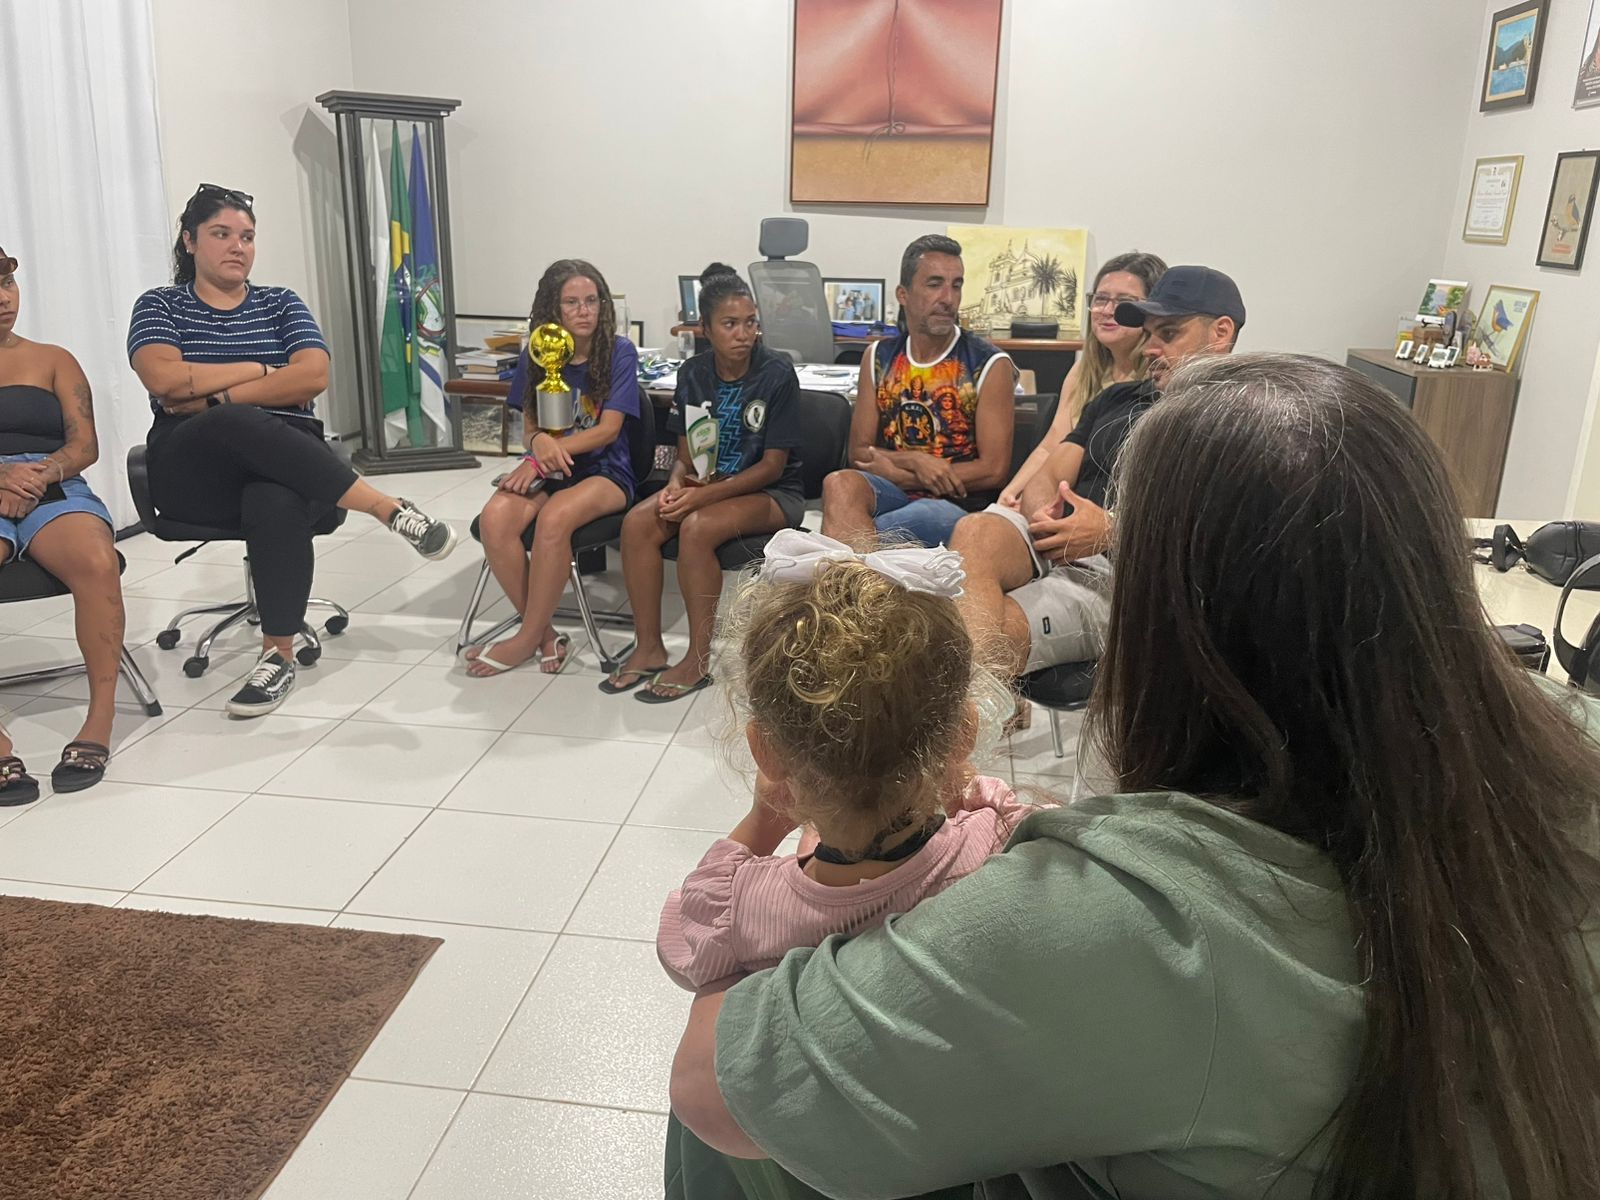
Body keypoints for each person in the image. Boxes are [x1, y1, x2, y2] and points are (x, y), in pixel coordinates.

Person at [667, 353, 1600, 1200]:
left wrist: (778, 915)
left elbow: (711, 1085)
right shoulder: (1572, 747)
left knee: (744, 1145)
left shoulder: (1120, 914)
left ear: (1164, 611)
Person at [128, 184, 457, 719]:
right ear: (189, 241)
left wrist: (212, 394)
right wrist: (263, 371)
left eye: (247, 236)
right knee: (233, 421)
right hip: (192, 467)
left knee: (274, 494)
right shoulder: (160, 305)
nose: (238, 247)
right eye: (221, 234)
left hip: (289, 456)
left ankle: (276, 657)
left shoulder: (280, 302)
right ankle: (384, 507)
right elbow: (163, 378)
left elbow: (313, 375)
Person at [655, 529, 1033, 988]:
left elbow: (681, 949)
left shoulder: (746, 910)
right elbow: (1003, 804)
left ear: (764, 751)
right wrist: (953, 777)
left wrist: (762, 822)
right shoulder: (1001, 841)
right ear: (963, 734)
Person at [952, 265, 1244, 676]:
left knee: (988, 628)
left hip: (1127, 570)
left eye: (1168, 333)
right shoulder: (1116, 398)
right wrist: (1048, 520)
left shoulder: (1239, 424)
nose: (1149, 348)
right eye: (1149, 333)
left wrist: (1111, 531)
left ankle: (967, 705)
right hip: (1054, 539)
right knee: (975, 530)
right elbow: (1048, 473)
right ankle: (974, 697)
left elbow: (1216, 543)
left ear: (1221, 333)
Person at [604, 270, 804, 702]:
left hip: (771, 493)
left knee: (696, 527)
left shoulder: (776, 372)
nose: (744, 334)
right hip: (705, 484)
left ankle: (697, 659)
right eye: (730, 324)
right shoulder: (693, 373)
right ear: (706, 329)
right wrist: (677, 483)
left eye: (750, 322)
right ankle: (649, 648)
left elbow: (772, 467)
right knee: (637, 523)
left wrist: (702, 496)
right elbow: (686, 454)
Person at [466, 258, 640, 676]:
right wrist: (539, 445)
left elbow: (608, 430)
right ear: (553, 307)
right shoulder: (537, 351)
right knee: (495, 518)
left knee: (555, 518)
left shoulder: (619, 351)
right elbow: (530, 429)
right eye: (572, 302)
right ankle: (544, 636)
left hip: (604, 471)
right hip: (548, 466)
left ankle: (524, 639)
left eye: (592, 301)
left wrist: (546, 452)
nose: (584, 311)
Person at [0, 246, 123, 795]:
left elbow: (85, 444)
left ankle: (100, 719)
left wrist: (40, 473)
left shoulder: (53, 359)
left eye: (7, 284)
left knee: (97, 561)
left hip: (49, 479)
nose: (3, 299)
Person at [820, 234, 1014, 550]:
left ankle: (849, 569)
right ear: (903, 294)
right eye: (935, 284)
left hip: (956, 502)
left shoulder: (989, 363)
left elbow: (993, 470)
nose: (948, 298)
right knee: (838, 484)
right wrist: (916, 461)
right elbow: (860, 453)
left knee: (879, 527)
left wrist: (906, 475)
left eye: (956, 285)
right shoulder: (879, 356)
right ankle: (855, 570)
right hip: (891, 489)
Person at [997, 251, 1167, 510]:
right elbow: (1051, 446)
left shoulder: (1160, 378)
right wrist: (1009, 496)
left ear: (1151, 312)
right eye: (1101, 299)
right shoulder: (1081, 372)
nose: (1107, 311)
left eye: (1124, 302)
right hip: (1054, 499)